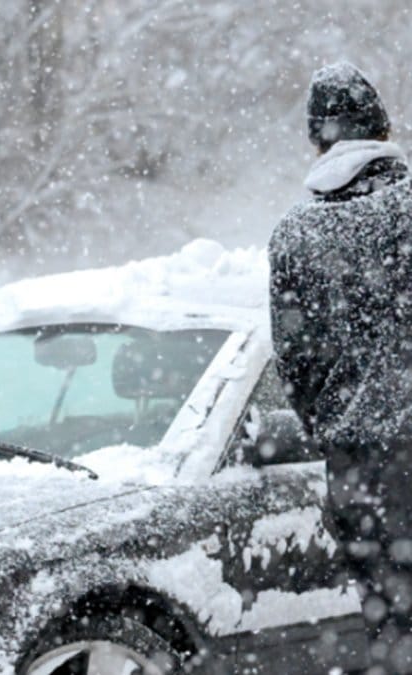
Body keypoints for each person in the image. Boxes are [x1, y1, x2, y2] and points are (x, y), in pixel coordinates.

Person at [270, 61, 412, 673]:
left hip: (361, 472)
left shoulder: (294, 234)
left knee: (390, 620)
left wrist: (333, 424)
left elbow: (295, 361)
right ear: (383, 130)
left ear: (316, 140)